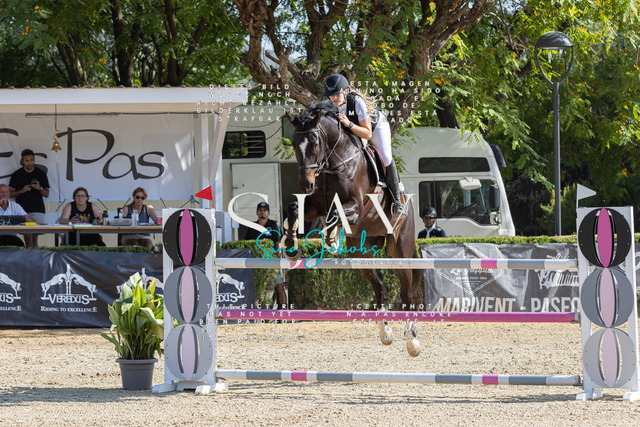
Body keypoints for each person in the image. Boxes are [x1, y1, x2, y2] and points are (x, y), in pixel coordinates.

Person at [323, 74, 406, 218]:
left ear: (345, 91)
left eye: (337, 94)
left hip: (375, 128)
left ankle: (397, 200)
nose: (334, 98)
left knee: (386, 157)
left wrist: (349, 124)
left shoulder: (357, 102)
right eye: (331, 95)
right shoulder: (329, 106)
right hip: (353, 130)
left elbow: (367, 134)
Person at [242, 202, 287, 308]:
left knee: (279, 285)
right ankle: (259, 310)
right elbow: (246, 245)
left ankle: (283, 310)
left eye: (265, 210)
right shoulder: (252, 227)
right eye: (260, 210)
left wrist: (276, 261)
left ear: (268, 213)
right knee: (259, 288)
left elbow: (279, 243)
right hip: (256, 263)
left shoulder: (274, 225)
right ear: (257, 212)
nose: (263, 212)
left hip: (272, 262)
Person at [9, 149, 50, 248]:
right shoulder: (17, 175)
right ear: (22, 161)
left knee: (35, 238)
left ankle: (34, 256)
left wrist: (39, 188)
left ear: (34, 160)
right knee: (28, 239)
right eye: (27, 160)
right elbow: (10, 194)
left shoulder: (40, 173)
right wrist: (21, 191)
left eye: (32, 160)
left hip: (37, 209)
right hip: (22, 210)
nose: (30, 163)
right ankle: (29, 256)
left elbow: (47, 194)